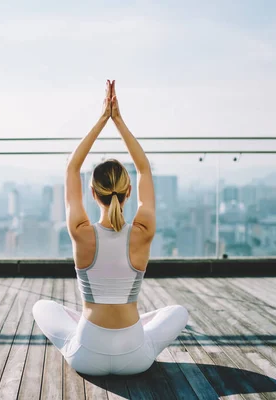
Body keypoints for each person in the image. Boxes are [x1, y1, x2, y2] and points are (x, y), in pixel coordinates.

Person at [32, 80, 189, 376]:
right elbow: (143, 168)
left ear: (92, 193)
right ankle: (131, 325)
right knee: (178, 312)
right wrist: (119, 121)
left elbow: (71, 168)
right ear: (129, 191)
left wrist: (102, 118)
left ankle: (81, 328)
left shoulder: (80, 230)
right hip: (136, 357)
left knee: (42, 306)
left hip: (86, 356)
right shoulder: (143, 230)